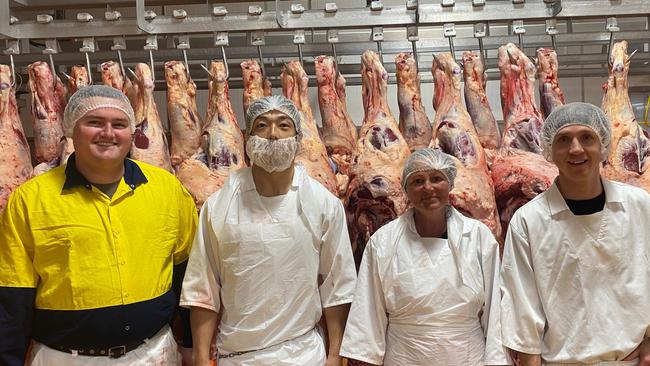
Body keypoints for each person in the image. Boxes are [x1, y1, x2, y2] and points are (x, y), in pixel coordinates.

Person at [0, 85, 198, 366]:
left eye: (119, 124)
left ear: (132, 132)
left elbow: (188, 274)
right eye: (94, 122)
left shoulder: (168, 190)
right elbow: (12, 296)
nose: (108, 133)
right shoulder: (30, 200)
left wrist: (190, 341)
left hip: (153, 354)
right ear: (71, 129)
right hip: (65, 358)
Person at [180, 95, 357, 366]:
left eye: (283, 125)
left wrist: (335, 354)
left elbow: (336, 285)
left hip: (304, 354)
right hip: (238, 356)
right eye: (262, 126)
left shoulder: (323, 204)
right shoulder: (219, 206)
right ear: (247, 139)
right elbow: (203, 289)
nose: (273, 134)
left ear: (298, 139)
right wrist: (202, 358)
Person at [500, 102, 650, 366]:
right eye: (564, 140)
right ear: (549, 151)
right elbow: (522, 306)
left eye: (587, 138)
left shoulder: (640, 205)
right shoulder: (528, 220)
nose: (576, 149)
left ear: (603, 145)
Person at [339, 148, 510, 366]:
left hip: (466, 356)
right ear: (406, 190)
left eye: (436, 178)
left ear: (450, 183)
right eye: (418, 181)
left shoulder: (478, 237)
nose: (428, 188)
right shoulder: (383, 241)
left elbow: (495, 311)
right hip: (404, 356)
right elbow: (369, 313)